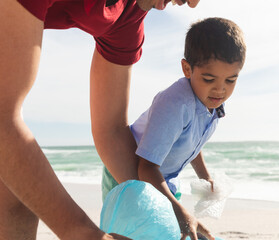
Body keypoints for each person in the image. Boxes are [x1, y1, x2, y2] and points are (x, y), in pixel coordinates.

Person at [0, 0, 200, 239]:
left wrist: (168, 215)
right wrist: (84, 233)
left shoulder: (128, 16)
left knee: (16, 199)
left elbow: (112, 130)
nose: (192, 3)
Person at [102, 17, 246, 240]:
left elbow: (192, 141)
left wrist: (205, 177)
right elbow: (146, 167)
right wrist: (179, 211)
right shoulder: (175, 105)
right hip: (129, 176)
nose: (220, 90)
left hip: (162, 178)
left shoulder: (211, 102)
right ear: (187, 69)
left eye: (231, 80)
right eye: (209, 79)